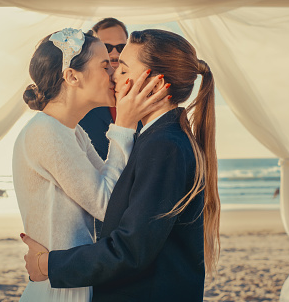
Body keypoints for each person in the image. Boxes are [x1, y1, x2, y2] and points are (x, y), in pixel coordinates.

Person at [21, 29, 221, 302]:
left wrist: (48, 265)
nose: (114, 75)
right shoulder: (158, 138)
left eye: (122, 69)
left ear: (154, 83)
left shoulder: (165, 145)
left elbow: (129, 247)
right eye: (108, 66)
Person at [79, 18, 130, 160]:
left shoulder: (144, 94)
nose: (114, 53)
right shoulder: (81, 101)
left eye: (121, 47)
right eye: (106, 47)